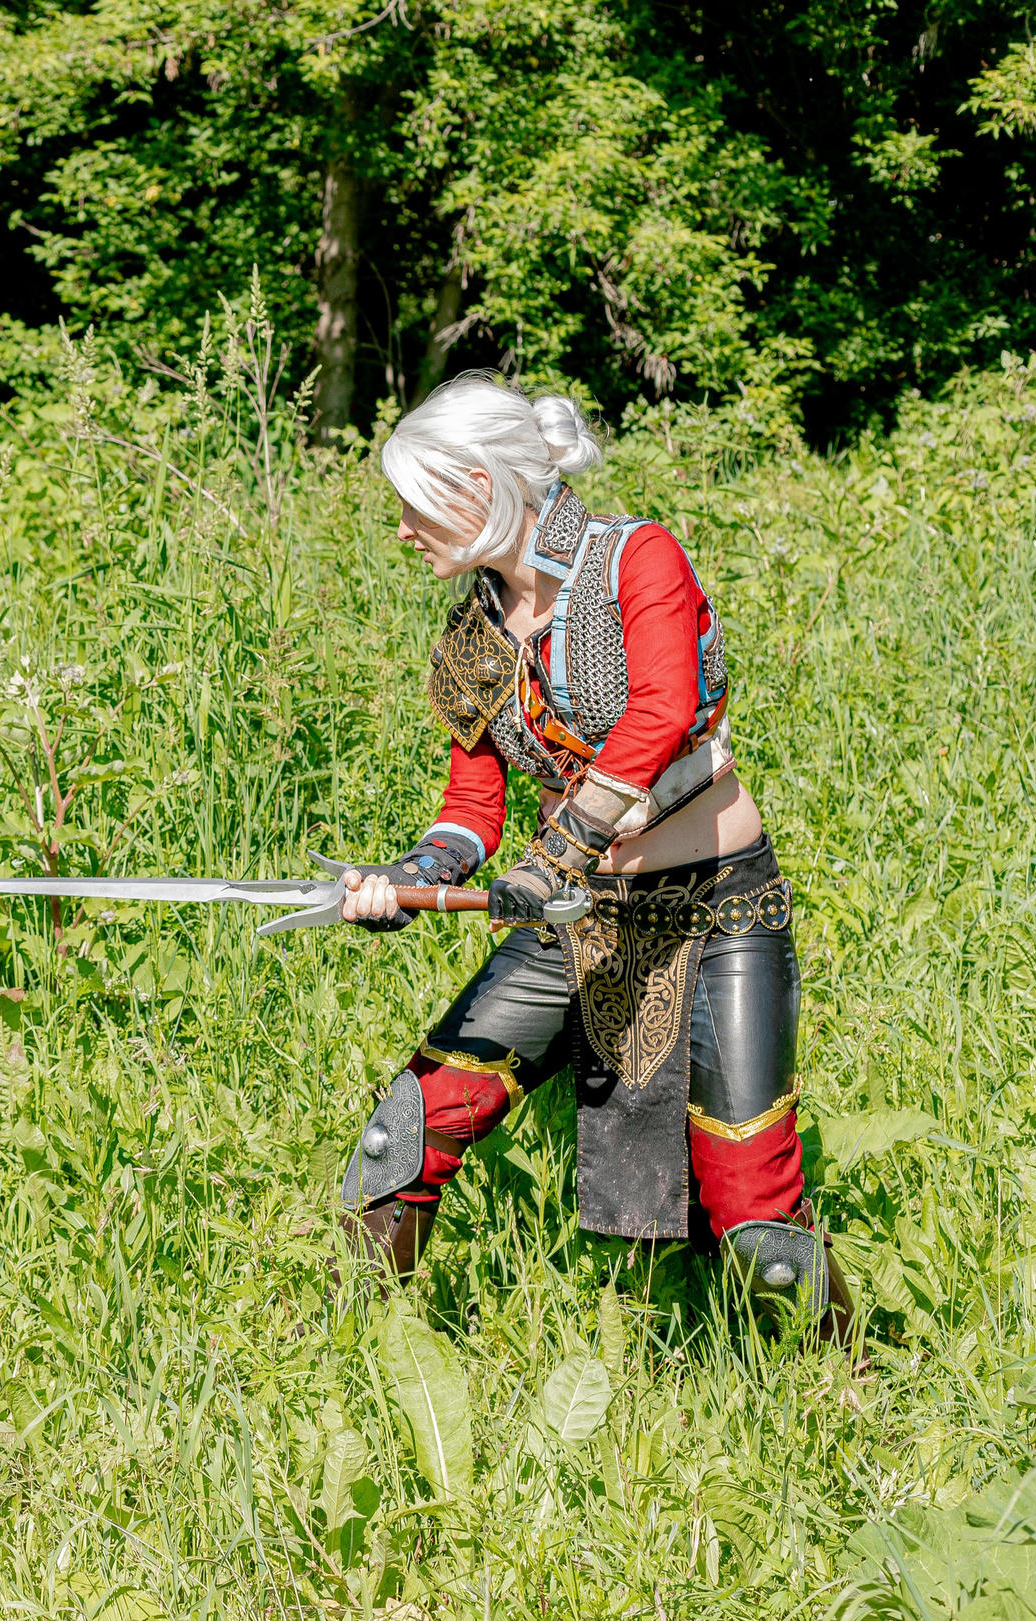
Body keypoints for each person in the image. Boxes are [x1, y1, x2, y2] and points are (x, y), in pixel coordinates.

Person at [334, 371, 850, 1338]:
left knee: (755, 1220)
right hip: (572, 916)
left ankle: (852, 1387)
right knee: (405, 1130)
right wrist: (411, 880)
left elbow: (659, 718)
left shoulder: (636, 561)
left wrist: (559, 851)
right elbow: (472, 808)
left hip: (716, 909)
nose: (403, 531)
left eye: (415, 506)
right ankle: (348, 1361)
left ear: (481, 487)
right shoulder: (474, 634)